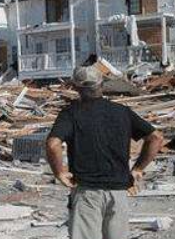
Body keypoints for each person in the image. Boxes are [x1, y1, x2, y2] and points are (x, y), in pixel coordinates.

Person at [46, 66, 164, 239]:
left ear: (76, 88)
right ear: (101, 85)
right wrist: (138, 169)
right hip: (118, 193)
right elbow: (156, 138)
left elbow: (53, 144)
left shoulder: (70, 114)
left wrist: (59, 172)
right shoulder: (122, 112)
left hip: (87, 192)